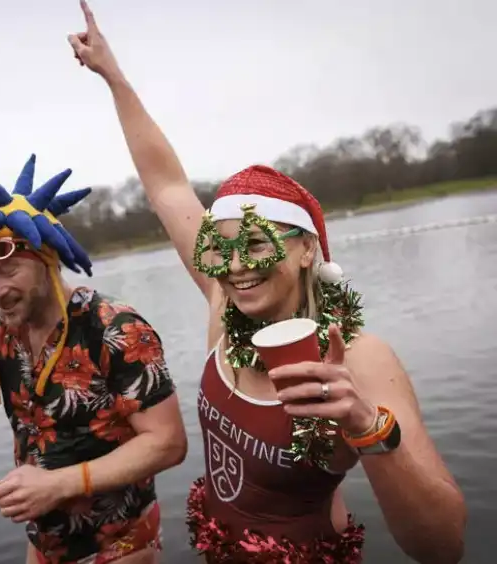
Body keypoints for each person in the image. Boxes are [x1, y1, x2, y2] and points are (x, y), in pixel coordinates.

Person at [67, 2, 467, 563]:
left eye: (256, 243)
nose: (235, 265)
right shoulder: (220, 301)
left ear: (307, 250)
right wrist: (114, 76)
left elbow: (443, 545)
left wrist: (363, 425)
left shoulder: (358, 358)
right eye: (222, 248)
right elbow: (167, 186)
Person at [0, 154, 188, 564]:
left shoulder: (114, 327)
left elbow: (168, 443)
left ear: (47, 262)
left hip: (122, 544)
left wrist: (57, 485)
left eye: (7, 271)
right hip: (45, 546)